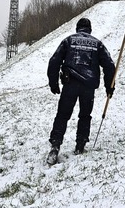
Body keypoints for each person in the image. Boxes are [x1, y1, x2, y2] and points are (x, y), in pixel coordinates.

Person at [46, 17, 116, 165]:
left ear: (77, 28)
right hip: (88, 87)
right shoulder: (97, 44)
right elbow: (109, 65)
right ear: (90, 29)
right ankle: (80, 144)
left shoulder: (69, 41)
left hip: (70, 84)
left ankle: (55, 145)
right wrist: (109, 86)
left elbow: (54, 61)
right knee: (85, 115)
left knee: (62, 115)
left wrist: (53, 83)